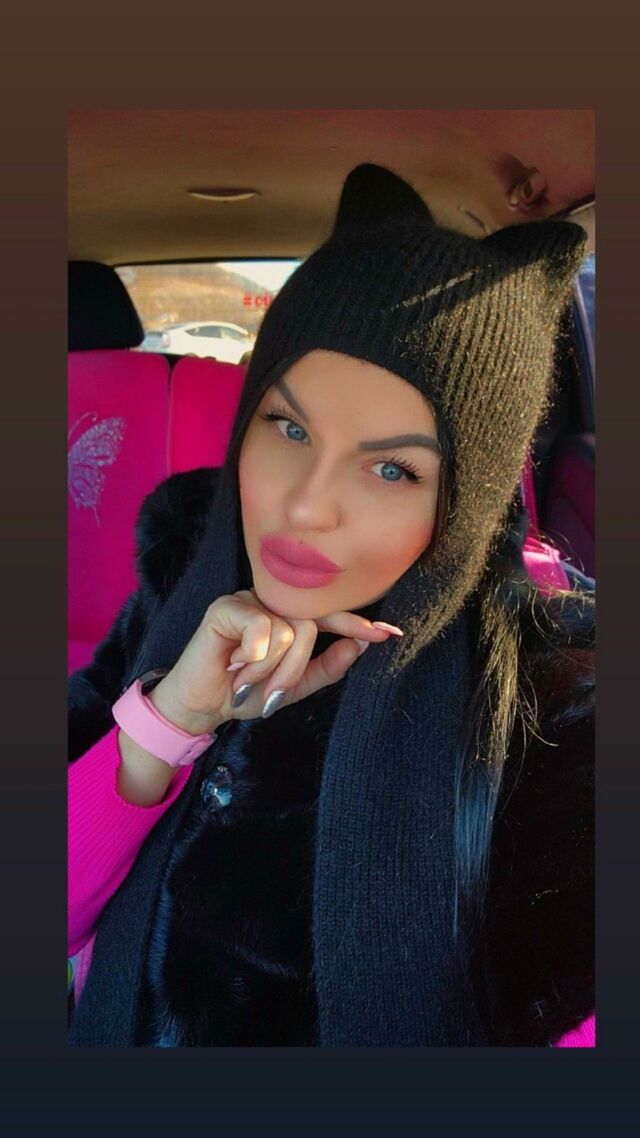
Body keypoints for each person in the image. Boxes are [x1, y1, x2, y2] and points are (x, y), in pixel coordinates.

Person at [68, 164, 595, 1047]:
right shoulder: (181, 578)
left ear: (465, 501)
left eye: (392, 468)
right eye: (289, 427)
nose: (306, 507)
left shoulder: (553, 719)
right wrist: (167, 723)